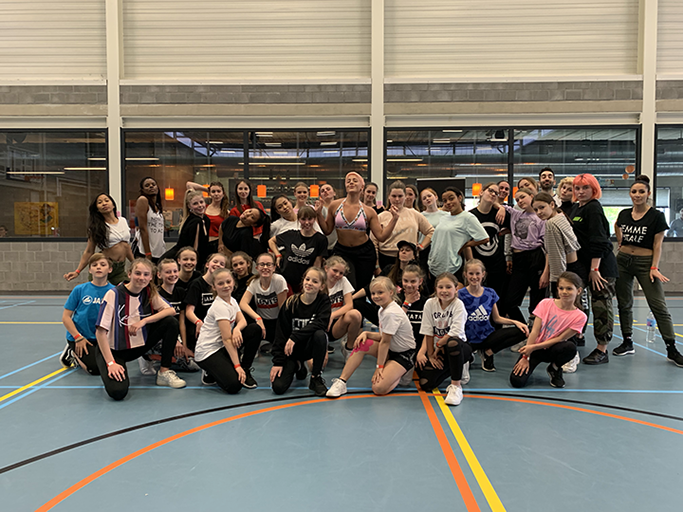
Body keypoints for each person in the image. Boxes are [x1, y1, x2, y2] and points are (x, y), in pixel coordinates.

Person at [613, 176, 683, 366]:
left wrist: (654, 267)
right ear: (630, 194)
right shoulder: (624, 213)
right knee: (624, 303)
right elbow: (617, 225)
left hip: (645, 263)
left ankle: (671, 348)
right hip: (623, 261)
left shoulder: (656, 216)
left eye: (641, 192)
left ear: (648, 194)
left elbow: (658, 244)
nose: (637, 195)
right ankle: (627, 341)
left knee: (658, 305)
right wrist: (620, 241)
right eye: (634, 191)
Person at [95, 259, 186, 400]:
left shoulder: (149, 292)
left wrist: (144, 321)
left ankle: (164, 372)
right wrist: (111, 363)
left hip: (137, 347)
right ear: (129, 274)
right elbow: (100, 332)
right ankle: (114, 366)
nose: (142, 278)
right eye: (137, 273)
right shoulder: (114, 294)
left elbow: (170, 310)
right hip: (114, 351)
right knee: (118, 392)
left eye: (146, 274)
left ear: (151, 277)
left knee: (170, 322)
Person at [326, 276, 416, 398]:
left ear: (391, 292)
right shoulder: (382, 309)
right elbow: (384, 336)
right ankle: (341, 382)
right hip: (390, 350)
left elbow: (385, 342)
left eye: (380, 292)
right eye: (373, 293)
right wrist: (367, 333)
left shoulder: (391, 313)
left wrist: (380, 367)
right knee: (362, 344)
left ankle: (402, 373)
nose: (376, 296)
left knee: (378, 388)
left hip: (403, 355)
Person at [316, 172, 399, 291]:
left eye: (355, 181)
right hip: (342, 251)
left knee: (361, 287)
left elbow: (381, 236)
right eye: (348, 181)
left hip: (364, 253)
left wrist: (394, 219)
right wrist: (318, 214)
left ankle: (358, 304)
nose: (351, 182)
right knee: (348, 286)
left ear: (362, 187)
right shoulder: (335, 206)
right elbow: (327, 230)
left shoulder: (369, 211)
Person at [570, 174, 618, 365]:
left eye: (585, 188)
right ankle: (577, 336)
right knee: (580, 303)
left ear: (594, 189)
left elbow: (599, 241)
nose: (581, 192)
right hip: (585, 266)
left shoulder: (594, 208)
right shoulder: (577, 207)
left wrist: (594, 268)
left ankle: (602, 349)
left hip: (600, 267)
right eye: (577, 188)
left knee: (601, 306)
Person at [510, 272, 586, 388]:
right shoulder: (545, 303)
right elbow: (535, 331)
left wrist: (533, 347)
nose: (564, 292)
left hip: (553, 349)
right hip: (535, 349)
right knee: (517, 381)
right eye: (561, 288)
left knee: (570, 348)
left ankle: (554, 368)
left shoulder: (580, 317)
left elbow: (560, 338)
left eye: (569, 288)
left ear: (579, 291)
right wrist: (526, 356)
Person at [194, 268, 263, 392]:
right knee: (234, 385)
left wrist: (236, 329)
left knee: (254, 329)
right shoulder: (219, 306)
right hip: (208, 352)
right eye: (220, 284)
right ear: (214, 287)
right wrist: (237, 366)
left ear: (233, 282)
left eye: (228, 282)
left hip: (222, 346)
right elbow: (227, 339)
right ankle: (209, 371)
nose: (225, 286)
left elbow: (243, 321)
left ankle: (245, 369)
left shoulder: (232, 301)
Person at [457, 259, 529, 372]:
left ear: (483, 274)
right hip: (468, 339)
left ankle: (488, 352)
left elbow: (497, 318)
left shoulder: (490, 293)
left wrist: (516, 322)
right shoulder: (460, 295)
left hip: (487, 337)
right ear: (465, 274)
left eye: (477, 273)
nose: (474, 277)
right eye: (471, 273)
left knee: (523, 331)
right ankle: (469, 353)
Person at [270, 267, 331, 396]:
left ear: (322, 286)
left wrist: (295, 337)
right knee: (278, 387)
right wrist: (278, 362)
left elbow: (321, 323)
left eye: (315, 281)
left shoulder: (323, 301)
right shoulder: (291, 303)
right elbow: (280, 333)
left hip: (309, 347)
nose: (309, 283)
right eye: (307, 279)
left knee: (320, 334)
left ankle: (315, 378)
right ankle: (298, 365)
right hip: (291, 351)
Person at [416, 272, 471, 406]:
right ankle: (456, 367)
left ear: (456, 289)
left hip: (458, 347)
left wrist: (439, 345)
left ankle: (456, 386)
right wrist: (431, 356)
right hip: (439, 351)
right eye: (440, 287)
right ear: (435, 289)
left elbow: (455, 332)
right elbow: (428, 332)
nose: (444, 291)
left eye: (448, 287)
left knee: (452, 343)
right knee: (426, 383)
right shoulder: (430, 303)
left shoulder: (458, 305)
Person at [498, 187, 548, 325]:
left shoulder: (540, 218)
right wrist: (501, 208)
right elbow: (497, 203)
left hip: (535, 256)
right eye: (517, 199)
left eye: (522, 197)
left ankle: (534, 329)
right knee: (510, 301)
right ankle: (522, 327)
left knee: (537, 298)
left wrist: (546, 271)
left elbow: (547, 246)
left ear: (532, 196)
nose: (519, 201)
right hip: (518, 259)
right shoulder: (516, 214)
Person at [60, 253, 115, 374]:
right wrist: (78, 337)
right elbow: (66, 317)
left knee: (109, 365)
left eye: (103, 265)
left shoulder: (114, 291)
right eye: (94, 265)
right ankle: (72, 353)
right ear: (90, 270)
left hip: (102, 339)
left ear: (110, 269)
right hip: (81, 337)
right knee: (95, 370)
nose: (98, 267)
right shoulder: (79, 290)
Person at [64, 193, 134, 285]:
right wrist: (77, 271)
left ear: (113, 205)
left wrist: (134, 263)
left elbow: (126, 246)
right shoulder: (97, 227)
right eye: (100, 202)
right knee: (95, 291)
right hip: (103, 265)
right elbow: (89, 251)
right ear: (97, 209)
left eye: (107, 200)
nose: (104, 203)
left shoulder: (123, 221)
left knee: (127, 289)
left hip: (119, 268)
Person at [352, 240, 421, 327]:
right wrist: (351, 298)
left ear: (414, 256)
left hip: (405, 313)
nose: (404, 252)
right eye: (401, 250)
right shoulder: (389, 269)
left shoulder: (417, 274)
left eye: (407, 250)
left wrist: (407, 302)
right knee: (356, 302)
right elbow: (370, 287)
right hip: (384, 309)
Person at [428, 187, 488, 282]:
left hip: (452, 265)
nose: (448, 202)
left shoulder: (467, 217)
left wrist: (465, 245)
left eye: (451, 198)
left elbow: (484, 238)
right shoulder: (444, 217)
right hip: (435, 263)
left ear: (459, 198)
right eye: (445, 200)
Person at [151, 258, 198, 374]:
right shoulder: (156, 294)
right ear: (159, 275)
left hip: (176, 334)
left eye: (175, 271)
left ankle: (171, 356)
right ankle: (149, 356)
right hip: (160, 335)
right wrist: (175, 341)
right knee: (190, 366)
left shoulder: (180, 292)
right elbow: (157, 323)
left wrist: (184, 345)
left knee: (195, 365)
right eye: (168, 272)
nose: (172, 275)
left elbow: (181, 321)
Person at [470, 182, 511, 314]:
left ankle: (497, 325)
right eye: (490, 191)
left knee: (496, 300)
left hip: (496, 264)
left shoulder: (500, 214)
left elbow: (515, 227)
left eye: (496, 193)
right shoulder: (470, 216)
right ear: (481, 192)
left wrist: (502, 209)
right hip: (477, 264)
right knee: (477, 300)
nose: (493, 194)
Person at [374, 181, 434, 269]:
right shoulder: (381, 217)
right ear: (389, 196)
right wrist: (376, 265)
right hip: (386, 258)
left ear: (405, 196)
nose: (397, 199)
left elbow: (431, 231)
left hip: (409, 258)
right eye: (394, 196)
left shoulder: (414, 214)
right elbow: (374, 242)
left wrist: (422, 246)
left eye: (400, 196)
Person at [532, 192, 582, 297]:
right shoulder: (561, 216)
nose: (539, 212)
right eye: (536, 210)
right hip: (576, 266)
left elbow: (556, 255)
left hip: (564, 270)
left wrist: (556, 280)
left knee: (563, 304)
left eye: (542, 207)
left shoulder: (551, 223)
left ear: (552, 204)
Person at [269, 206, 327, 293]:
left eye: (310, 219)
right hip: (285, 278)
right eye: (303, 219)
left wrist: (312, 280)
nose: (307, 222)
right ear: (298, 219)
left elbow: (317, 263)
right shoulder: (291, 234)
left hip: (303, 281)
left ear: (314, 219)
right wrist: (278, 255)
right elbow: (271, 241)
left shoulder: (320, 239)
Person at [183, 253, 228, 354]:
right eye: (215, 262)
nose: (218, 265)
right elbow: (189, 311)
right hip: (199, 325)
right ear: (207, 264)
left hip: (215, 325)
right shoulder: (196, 284)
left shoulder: (223, 286)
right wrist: (198, 322)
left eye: (222, 264)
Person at [240, 253, 288, 346]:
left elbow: (283, 308)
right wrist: (258, 318)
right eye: (262, 264)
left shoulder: (279, 280)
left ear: (274, 268)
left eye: (268, 264)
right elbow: (242, 303)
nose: (265, 267)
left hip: (277, 321)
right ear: (257, 268)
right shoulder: (254, 282)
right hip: (262, 321)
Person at [162, 190, 211, 270]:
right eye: (195, 203)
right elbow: (194, 247)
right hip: (179, 258)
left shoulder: (205, 219)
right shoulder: (195, 221)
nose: (200, 205)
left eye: (201, 202)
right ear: (189, 206)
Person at [324, 256, 362, 357]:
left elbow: (349, 305)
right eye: (335, 270)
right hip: (320, 324)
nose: (337, 275)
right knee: (320, 363)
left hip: (336, 324)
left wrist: (332, 315)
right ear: (326, 268)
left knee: (355, 314)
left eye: (341, 273)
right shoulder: (319, 281)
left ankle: (348, 348)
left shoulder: (343, 281)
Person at [186, 181, 229, 254]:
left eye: (218, 191)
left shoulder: (226, 212)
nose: (216, 194)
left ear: (223, 193)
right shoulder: (202, 208)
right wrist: (208, 190)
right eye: (213, 191)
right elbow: (189, 184)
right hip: (202, 243)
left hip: (217, 244)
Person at [133, 177, 165, 262]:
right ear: (143, 190)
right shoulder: (143, 200)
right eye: (147, 185)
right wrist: (148, 253)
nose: (151, 186)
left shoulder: (157, 205)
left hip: (158, 251)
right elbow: (142, 228)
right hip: (145, 251)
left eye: (153, 184)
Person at [418, 187, 449, 271]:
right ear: (422, 202)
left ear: (436, 197)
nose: (427, 199)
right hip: (424, 249)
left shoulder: (447, 215)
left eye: (429, 196)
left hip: (441, 249)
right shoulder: (419, 216)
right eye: (424, 198)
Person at [319, 183, 338, 250]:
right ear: (321, 195)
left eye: (328, 189)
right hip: (324, 245)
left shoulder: (340, 208)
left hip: (338, 245)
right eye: (322, 191)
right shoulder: (319, 209)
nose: (325, 191)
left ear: (334, 193)